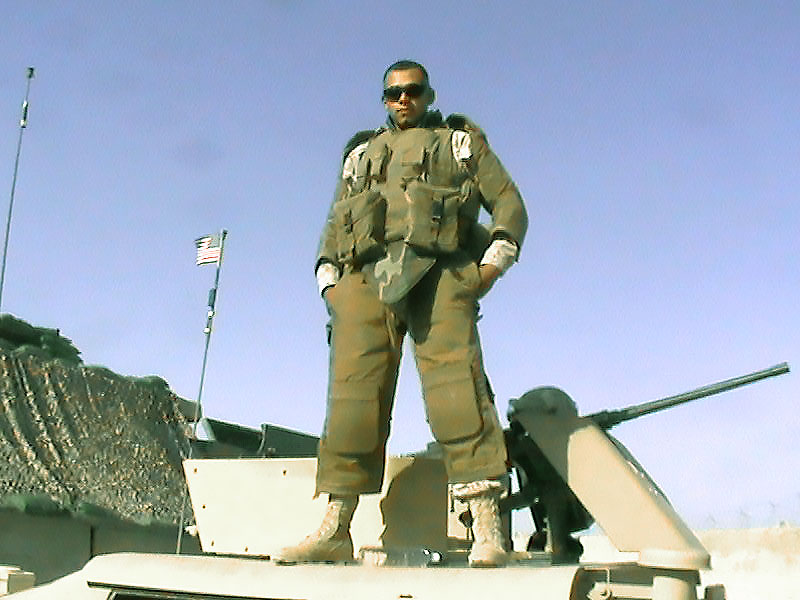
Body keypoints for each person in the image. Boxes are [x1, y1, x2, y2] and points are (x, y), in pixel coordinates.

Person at [277, 60, 527, 568]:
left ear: (429, 93)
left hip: (440, 272)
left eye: (412, 91)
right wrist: (330, 282)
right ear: (384, 100)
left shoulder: (458, 142)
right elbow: (336, 221)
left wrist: (489, 267)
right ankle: (335, 528)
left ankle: (487, 527)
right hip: (365, 280)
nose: (403, 101)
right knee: (353, 400)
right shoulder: (361, 154)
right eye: (393, 94)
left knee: (458, 392)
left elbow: (508, 203)